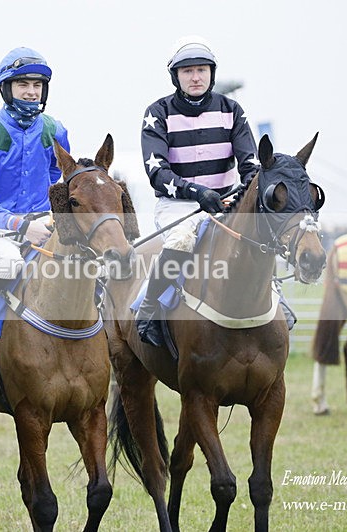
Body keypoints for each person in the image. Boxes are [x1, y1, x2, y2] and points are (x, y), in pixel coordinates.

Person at [136, 35, 259, 346]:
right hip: (178, 205)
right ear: (175, 76)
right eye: (187, 71)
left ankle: (277, 306)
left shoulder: (233, 110)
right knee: (180, 239)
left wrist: (246, 192)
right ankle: (149, 310)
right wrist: (195, 192)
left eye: (202, 70)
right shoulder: (158, 112)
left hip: (226, 200)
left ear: (211, 74)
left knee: (257, 240)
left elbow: (251, 165)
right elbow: (156, 172)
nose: (195, 77)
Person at [0, 46, 69, 316]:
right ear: (6, 89)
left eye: (37, 85)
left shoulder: (55, 130)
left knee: (82, 263)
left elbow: (57, 180)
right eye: (23, 84)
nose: (32, 92)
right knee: (10, 264)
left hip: (44, 222)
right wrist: (20, 226)